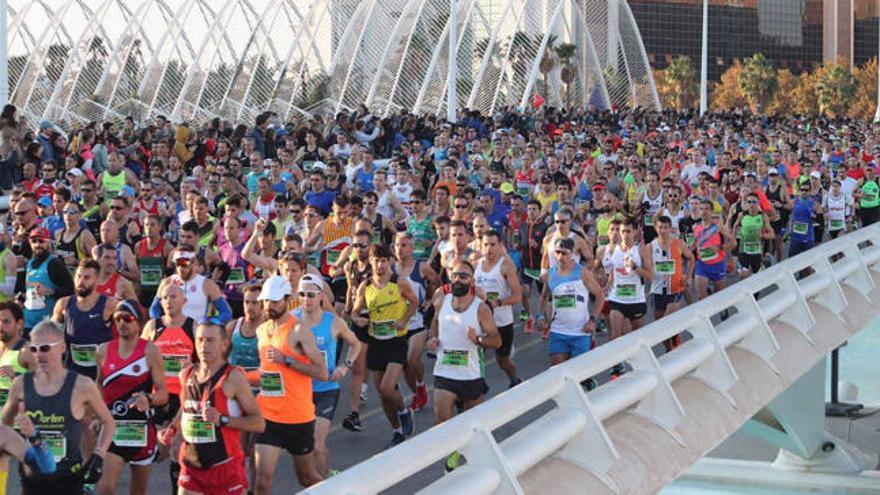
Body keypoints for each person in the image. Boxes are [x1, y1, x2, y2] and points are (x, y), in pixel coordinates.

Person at [2, 319, 116, 494]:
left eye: (45, 348)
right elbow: (4, 427)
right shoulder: (20, 384)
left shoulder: (82, 385)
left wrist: (98, 455)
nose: (39, 355)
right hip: (33, 479)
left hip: (68, 479)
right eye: (34, 349)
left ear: (62, 347)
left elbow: (108, 422)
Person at [158, 321, 265, 495]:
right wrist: (172, 429)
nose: (204, 346)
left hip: (225, 468)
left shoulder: (233, 377)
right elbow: (186, 410)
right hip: (191, 466)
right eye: (200, 340)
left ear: (224, 344)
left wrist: (222, 420)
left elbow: (259, 423)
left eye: (210, 340)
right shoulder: (186, 375)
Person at [253, 275, 328, 492]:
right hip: (268, 416)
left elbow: (322, 372)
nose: (269, 306)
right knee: (261, 482)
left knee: (306, 477)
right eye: (266, 301)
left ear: (287, 299)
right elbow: (267, 372)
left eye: (275, 301)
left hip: (297, 417)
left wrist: (287, 360)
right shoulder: (262, 330)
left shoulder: (299, 331)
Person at [428, 260, 501, 472]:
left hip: (470, 374)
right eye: (455, 275)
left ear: (472, 281)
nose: (458, 279)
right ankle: (452, 454)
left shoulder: (481, 309)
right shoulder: (442, 300)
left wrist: (477, 340)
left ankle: (470, 458)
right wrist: (434, 339)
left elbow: (496, 341)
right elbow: (435, 322)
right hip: (445, 371)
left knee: (473, 424)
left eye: (464, 276)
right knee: (441, 418)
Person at [94, 300, 168, 495]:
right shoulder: (103, 350)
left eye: (127, 318)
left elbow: (163, 393)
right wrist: (96, 415)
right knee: (105, 488)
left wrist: (149, 399)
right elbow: (98, 387)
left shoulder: (150, 351)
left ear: (139, 322)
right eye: (117, 319)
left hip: (141, 430)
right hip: (114, 428)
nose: (122, 323)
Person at [293, 274, 362, 477]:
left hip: (326, 389)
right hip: (300, 390)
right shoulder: (291, 320)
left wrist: (345, 367)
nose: (307, 299)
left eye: (312, 295)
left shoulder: (334, 322)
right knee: (310, 448)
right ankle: (329, 476)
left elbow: (355, 344)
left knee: (315, 444)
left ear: (322, 296)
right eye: (302, 294)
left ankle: (327, 486)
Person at [351, 245, 419, 447]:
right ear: (370, 262)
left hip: (396, 341)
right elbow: (355, 311)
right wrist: (358, 319)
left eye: (383, 260)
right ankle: (397, 430)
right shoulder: (366, 286)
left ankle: (405, 411)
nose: (379, 265)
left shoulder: (399, 283)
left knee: (387, 387)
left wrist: (404, 320)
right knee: (383, 394)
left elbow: (415, 303)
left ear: (388, 261)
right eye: (375, 261)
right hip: (376, 342)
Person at [540, 237, 605, 366]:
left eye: (564, 253)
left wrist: (592, 320)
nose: (560, 256)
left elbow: (600, 295)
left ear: (572, 254)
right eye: (557, 252)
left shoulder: (582, 272)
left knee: (578, 372)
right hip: (558, 330)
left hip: (580, 332)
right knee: (557, 370)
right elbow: (544, 297)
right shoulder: (550, 275)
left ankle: (587, 382)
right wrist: (542, 317)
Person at [473, 230, 523, 388]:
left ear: (500, 245)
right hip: (481, 322)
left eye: (493, 244)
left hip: (502, 322)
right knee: (475, 357)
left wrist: (497, 303)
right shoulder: (475, 265)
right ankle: (474, 388)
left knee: (502, 360)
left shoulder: (506, 267)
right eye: (485, 244)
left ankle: (515, 378)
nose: (489, 248)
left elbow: (517, 296)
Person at [51, 259, 116, 379]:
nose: (81, 281)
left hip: (101, 375)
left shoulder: (109, 305)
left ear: (97, 280)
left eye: (86, 278)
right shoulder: (63, 304)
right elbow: (50, 337)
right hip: (73, 373)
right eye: (78, 276)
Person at [392, 232, 435, 412]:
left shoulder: (422, 267)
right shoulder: (391, 269)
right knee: (403, 365)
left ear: (412, 248)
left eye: (404, 245)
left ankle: (421, 384)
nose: (400, 249)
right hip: (399, 322)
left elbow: (436, 281)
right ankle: (419, 390)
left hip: (418, 320)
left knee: (412, 359)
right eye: (397, 245)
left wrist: (429, 299)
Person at [150, 246, 231, 324]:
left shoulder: (207, 284)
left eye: (184, 263)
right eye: (178, 263)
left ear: (193, 262)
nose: (180, 268)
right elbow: (154, 309)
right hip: (174, 331)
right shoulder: (167, 282)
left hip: (197, 332)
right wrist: (160, 322)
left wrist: (209, 322)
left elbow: (226, 312)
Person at [23, 227, 74, 332]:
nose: (37, 245)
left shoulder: (54, 264)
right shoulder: (29, 264)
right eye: (34, 241)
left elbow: (71, 292)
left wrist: (50, 291)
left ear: (47, 243)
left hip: (48, 324)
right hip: (28, 323)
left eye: (41, 241)